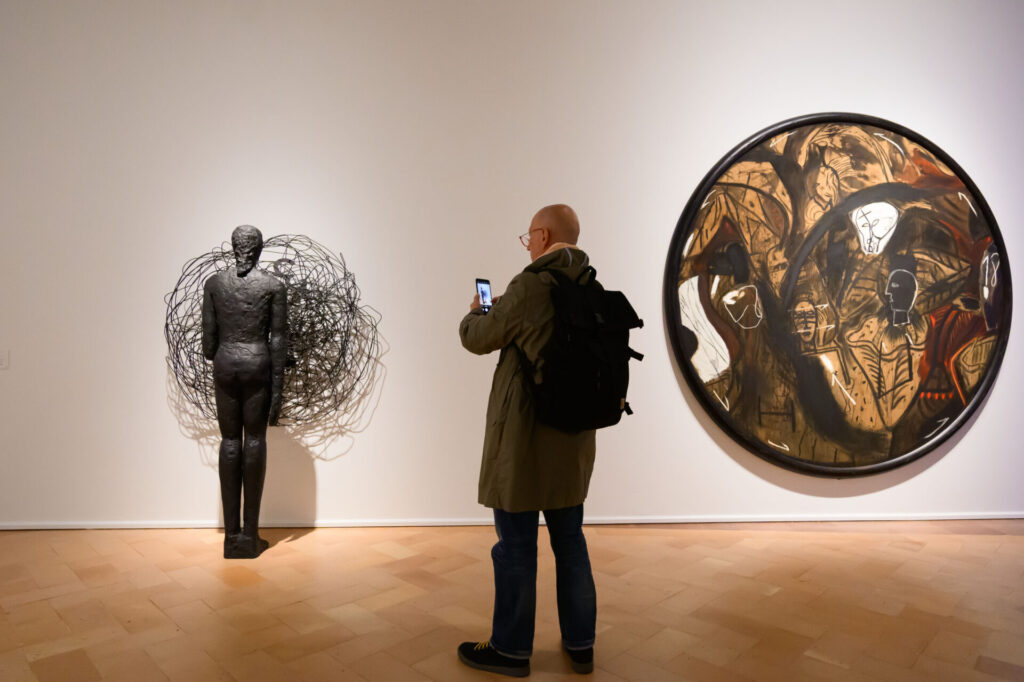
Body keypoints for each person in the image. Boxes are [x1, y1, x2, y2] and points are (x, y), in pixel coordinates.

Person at [457, 204, 598, 677]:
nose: (528, 245)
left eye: (529, 236)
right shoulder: (590, 284)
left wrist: (476, 312)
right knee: (570, 543)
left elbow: (479, 339)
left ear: (543, 236)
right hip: (573, 440)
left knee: (516, 546)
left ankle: (511, 650)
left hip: (524, 441)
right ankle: (581, 645)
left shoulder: (529, 285)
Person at [202, 225, 287, 559]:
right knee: (254, 439)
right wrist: (277, 387)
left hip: (225, 363)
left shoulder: (214, 284)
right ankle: (250, 536)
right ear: (260, 249)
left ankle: (230, 538)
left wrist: (227, 346)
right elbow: (278, 339)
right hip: (257, 365)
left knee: (229, 441)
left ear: (233, 247)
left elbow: (208, 346)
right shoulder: (273, 286)